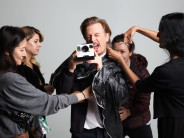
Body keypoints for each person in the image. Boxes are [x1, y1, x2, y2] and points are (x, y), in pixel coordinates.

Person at [0, 26, 93, 138]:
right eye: (21, 50)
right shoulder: (9, 78)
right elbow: (45, 102)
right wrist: (82, 95)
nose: (24, 54)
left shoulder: (15, 72)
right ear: (7, 50)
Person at [108, 12, 184, 138]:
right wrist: (136, 28)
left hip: (173, 125)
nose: (158, 35)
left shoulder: (165, 71)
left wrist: (121, 60)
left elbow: (140, 86)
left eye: (161, 32)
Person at [52, 16, 128, 138]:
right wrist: (70, 68)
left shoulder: (116, 62)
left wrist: (100, 68)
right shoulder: (78, 59)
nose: (92, 39)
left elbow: (121, 96)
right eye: (88, 36)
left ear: (107, 36)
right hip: (83, 131)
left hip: (109, 132)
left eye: (97, 35)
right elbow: (62, 94)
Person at [111, 34, 153, 138]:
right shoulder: (108, 69)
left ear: (130, 52)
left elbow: (144, 103)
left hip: (138, 121)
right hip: (116, 121)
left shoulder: (142, 74)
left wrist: (128, 112)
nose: (119, 55)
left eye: (122, 51)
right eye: (116, 51)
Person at [17, 26, 54, 138]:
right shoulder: (19, 68)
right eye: (36, 41)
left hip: (39, 119)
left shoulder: (34, 66)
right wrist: (46, 89)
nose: (39, 45)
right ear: (24, 42)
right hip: (25, 123)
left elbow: (39, 89)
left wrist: (50, 84)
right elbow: (28, 95)